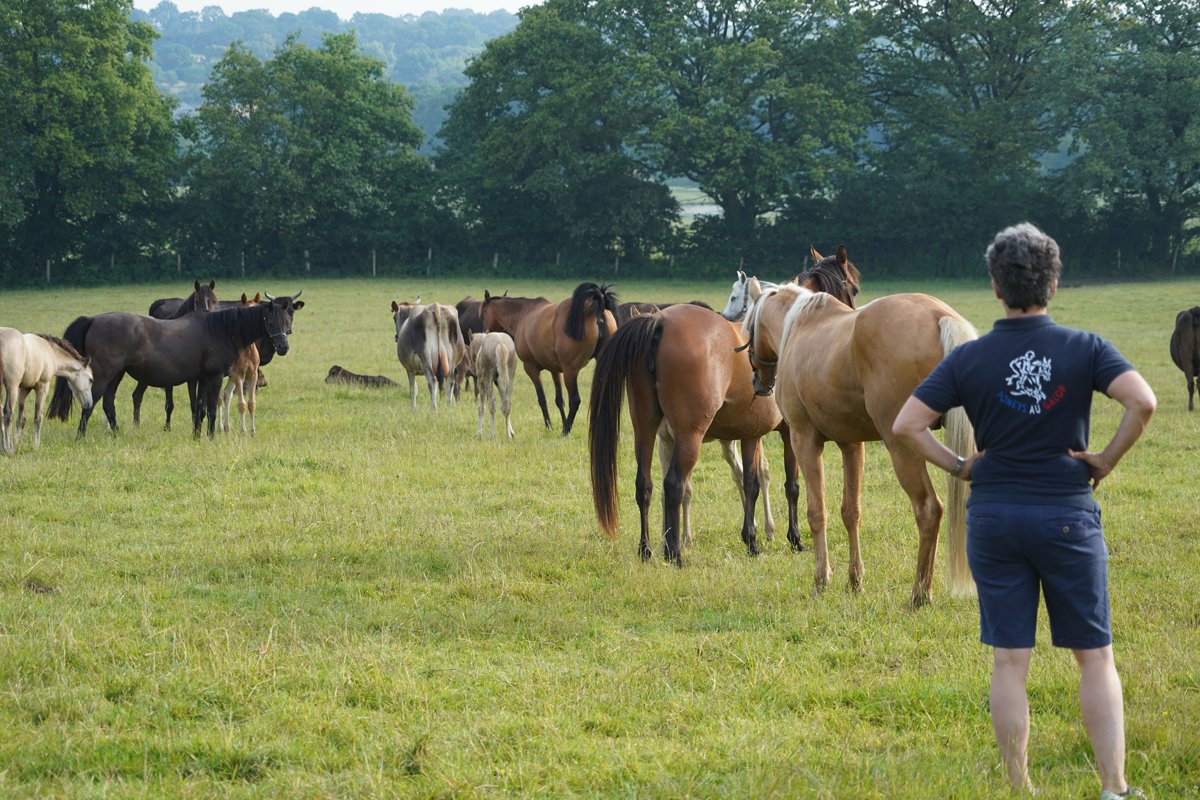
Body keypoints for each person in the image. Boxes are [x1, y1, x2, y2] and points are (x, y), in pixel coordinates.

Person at [891, 223, 1156, 798]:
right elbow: (1143, 400)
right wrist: (1105, 459)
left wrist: (961, 466)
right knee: (1095, 657)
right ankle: (1114, 788)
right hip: (1067, 516)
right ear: (1053, 285)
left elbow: (907, 424)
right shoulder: (1086, 348)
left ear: (995, 287)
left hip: (994, 519)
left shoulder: (969, 358)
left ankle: (1019, 786)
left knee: (1009, 661)